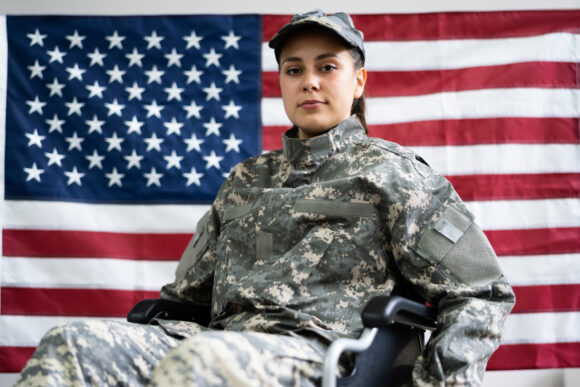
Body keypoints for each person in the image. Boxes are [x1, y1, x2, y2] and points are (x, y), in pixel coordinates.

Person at [15, 10, 515, 386]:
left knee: (201, 364)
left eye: (328, 66)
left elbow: (482, 293)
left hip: (324, 354)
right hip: (217, 341)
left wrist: (439, 382)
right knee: (71, 345)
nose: (310, 81)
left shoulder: (397, 176)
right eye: (294, 69)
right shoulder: (245, 180)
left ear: (358, 80)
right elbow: (183, 300)